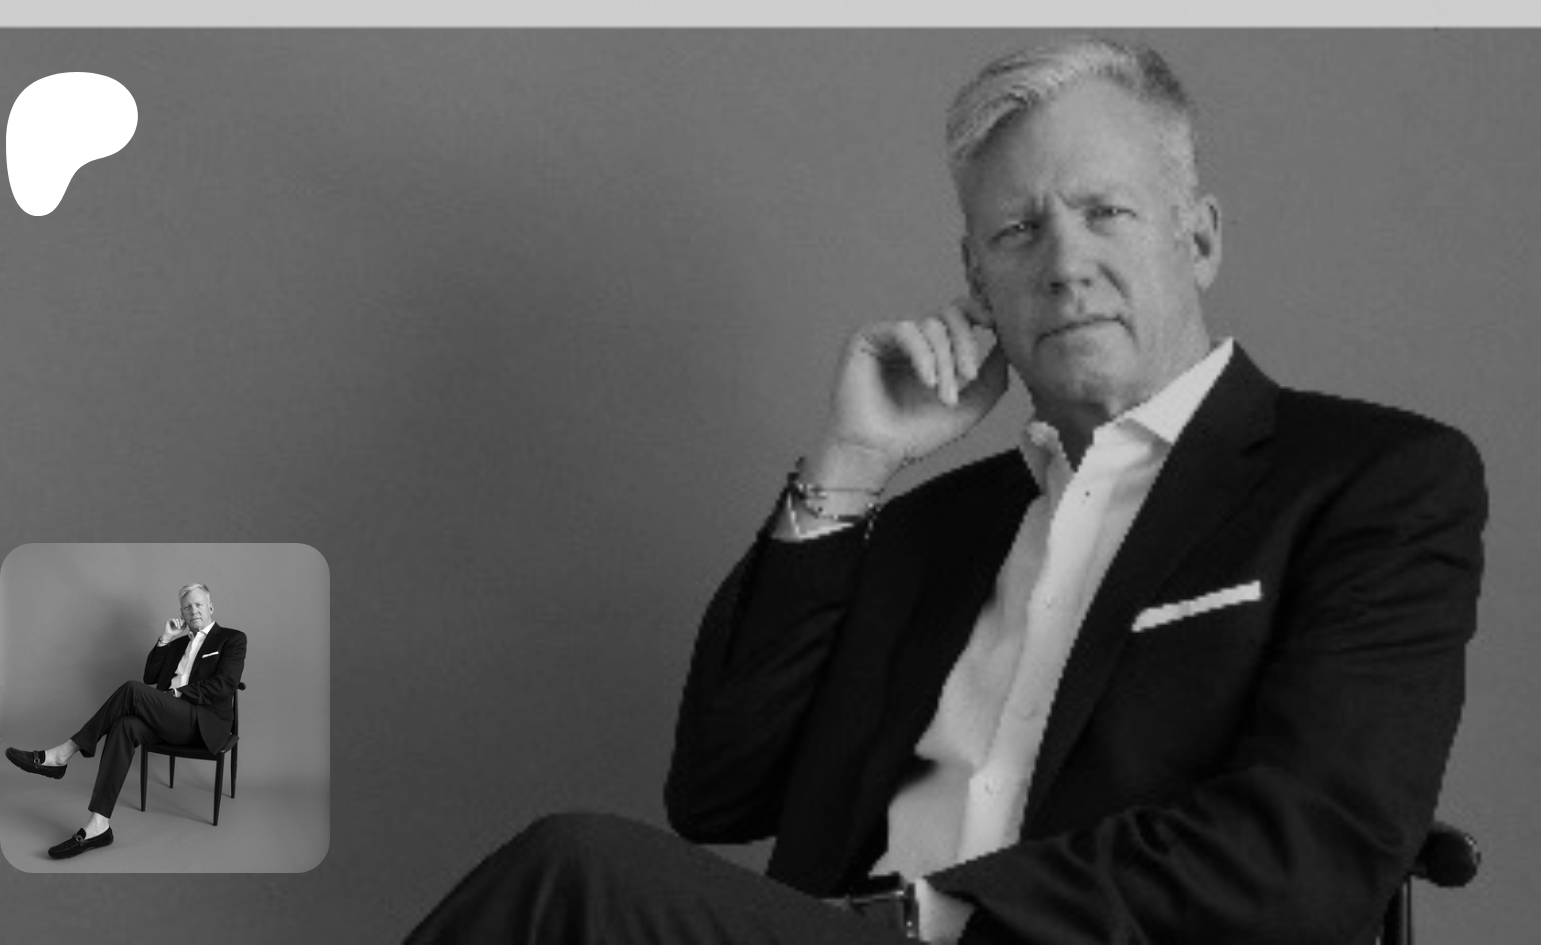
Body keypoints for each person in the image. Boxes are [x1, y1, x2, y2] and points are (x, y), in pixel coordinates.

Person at [407, 36, 1486, 944]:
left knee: (573, 875)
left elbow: (1311, 848)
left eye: (1106, 212)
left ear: (1197, 237)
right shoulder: (934, 532)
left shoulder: (1368, 481)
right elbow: (718, 791)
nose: (1064, 265)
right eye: (1018, 231)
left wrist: (931, 917)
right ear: (977, 280)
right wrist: (851, 465)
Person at [5, 582, 248, 859]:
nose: (193, 610)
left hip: (202, 723)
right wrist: (165, 639)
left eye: (198, 604)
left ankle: (63, 754)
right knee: (124, 726)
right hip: (169, 719)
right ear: (181, 612)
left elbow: (225, 685)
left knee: (131, 690)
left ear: (210, 606)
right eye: (187, 606)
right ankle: (99, 825)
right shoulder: (179, 643)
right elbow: (150, 677)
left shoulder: (232, 639)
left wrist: (176, 693)